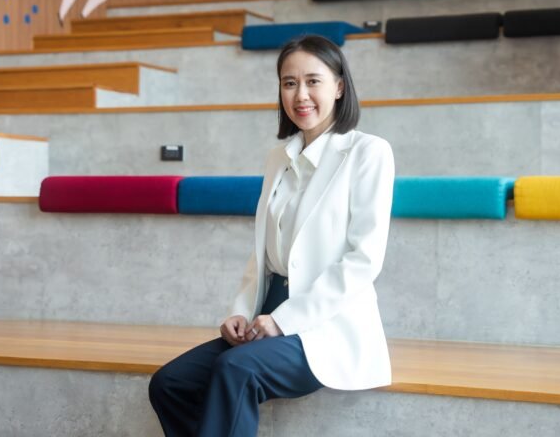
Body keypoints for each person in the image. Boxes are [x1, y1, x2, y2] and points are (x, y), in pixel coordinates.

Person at [148, 35, 395, 436]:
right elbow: (262, 253)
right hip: (267, 312)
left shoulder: (368, 152)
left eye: (313, 81)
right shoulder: (278, 158)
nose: (301, 95)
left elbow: (363, 260)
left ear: (339, 86)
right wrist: (240, 312)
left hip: (328, 324)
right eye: (289, 83)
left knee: (237, 369)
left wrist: (283, 320)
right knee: (170, 383)